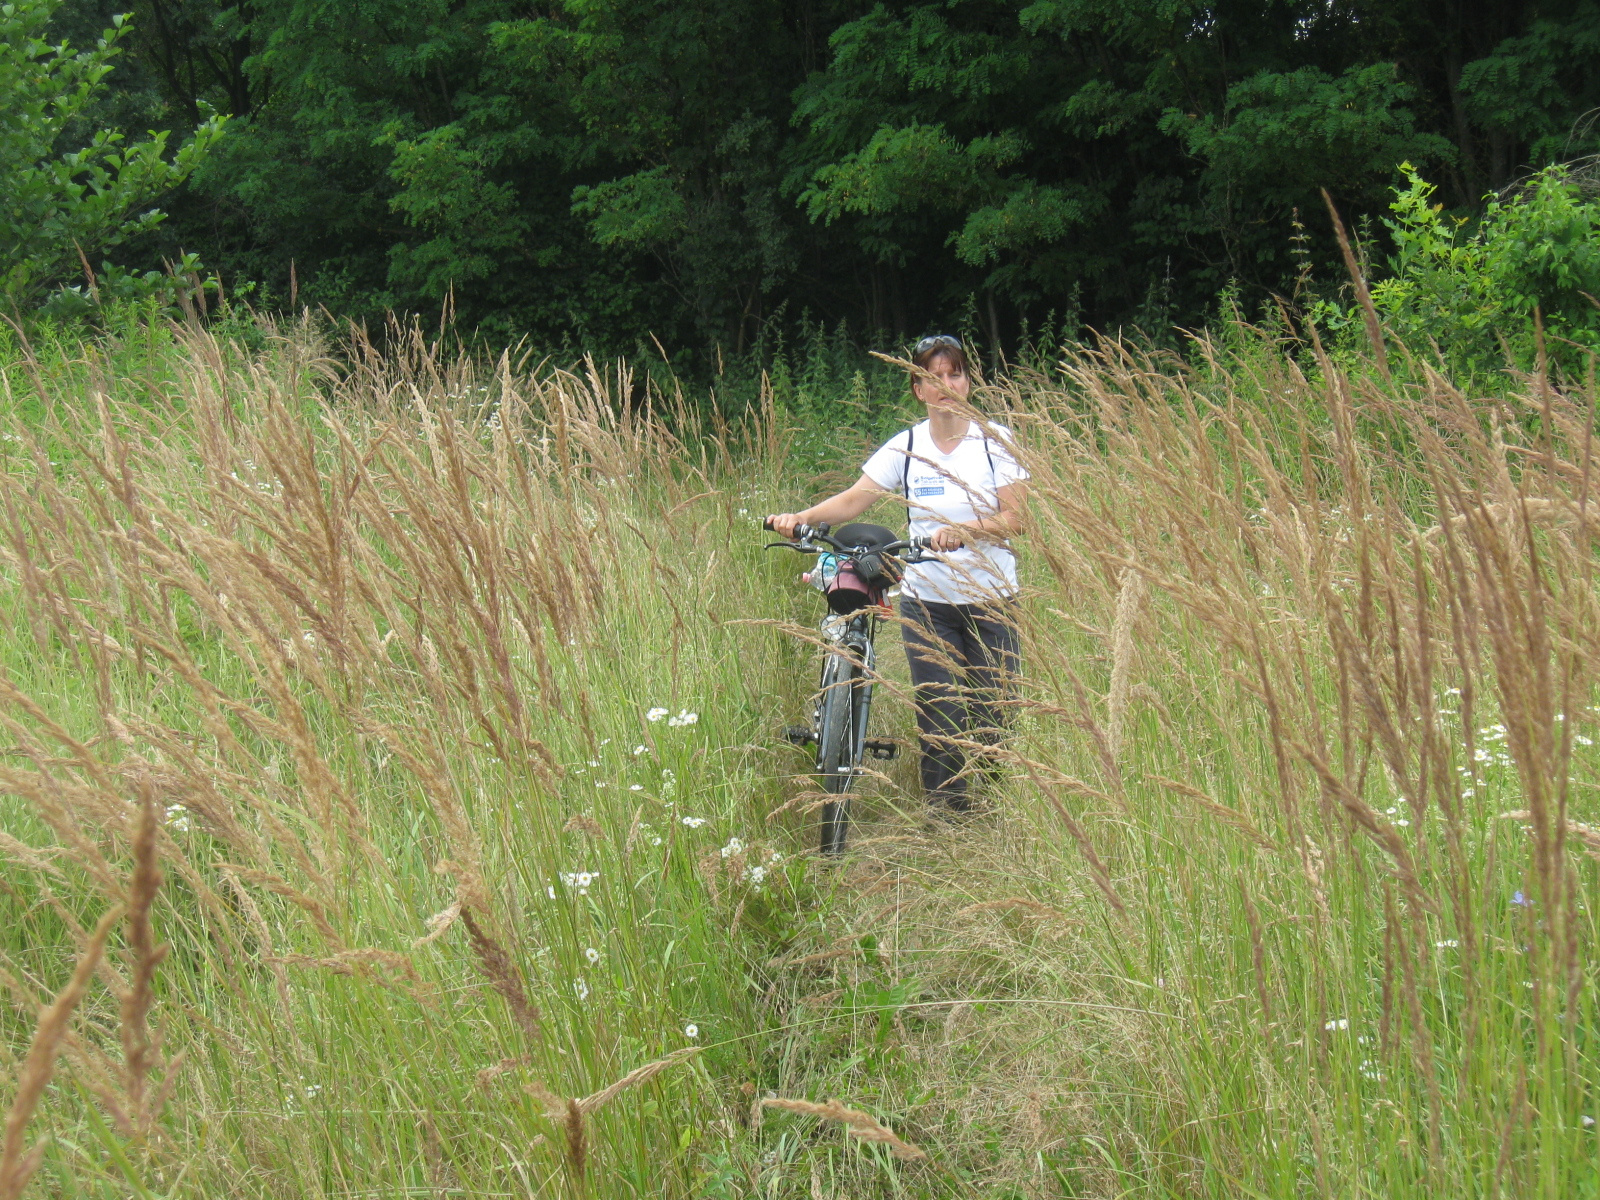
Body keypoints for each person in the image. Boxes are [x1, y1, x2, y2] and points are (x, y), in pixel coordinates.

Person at [766, 334, 1027, 816]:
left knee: (994, 716)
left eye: (955, 374)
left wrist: (965, 530)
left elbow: (1016, 518)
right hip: (928, 601)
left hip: (993, 599)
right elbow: (854, 499)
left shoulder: (996, 441)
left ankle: (995, 811)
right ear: (918, 389)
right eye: (934, 377)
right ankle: (946, 815)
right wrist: (798, 517)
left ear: (968, 382)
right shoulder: (905, 446)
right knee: (940, 710)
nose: (946, 384)